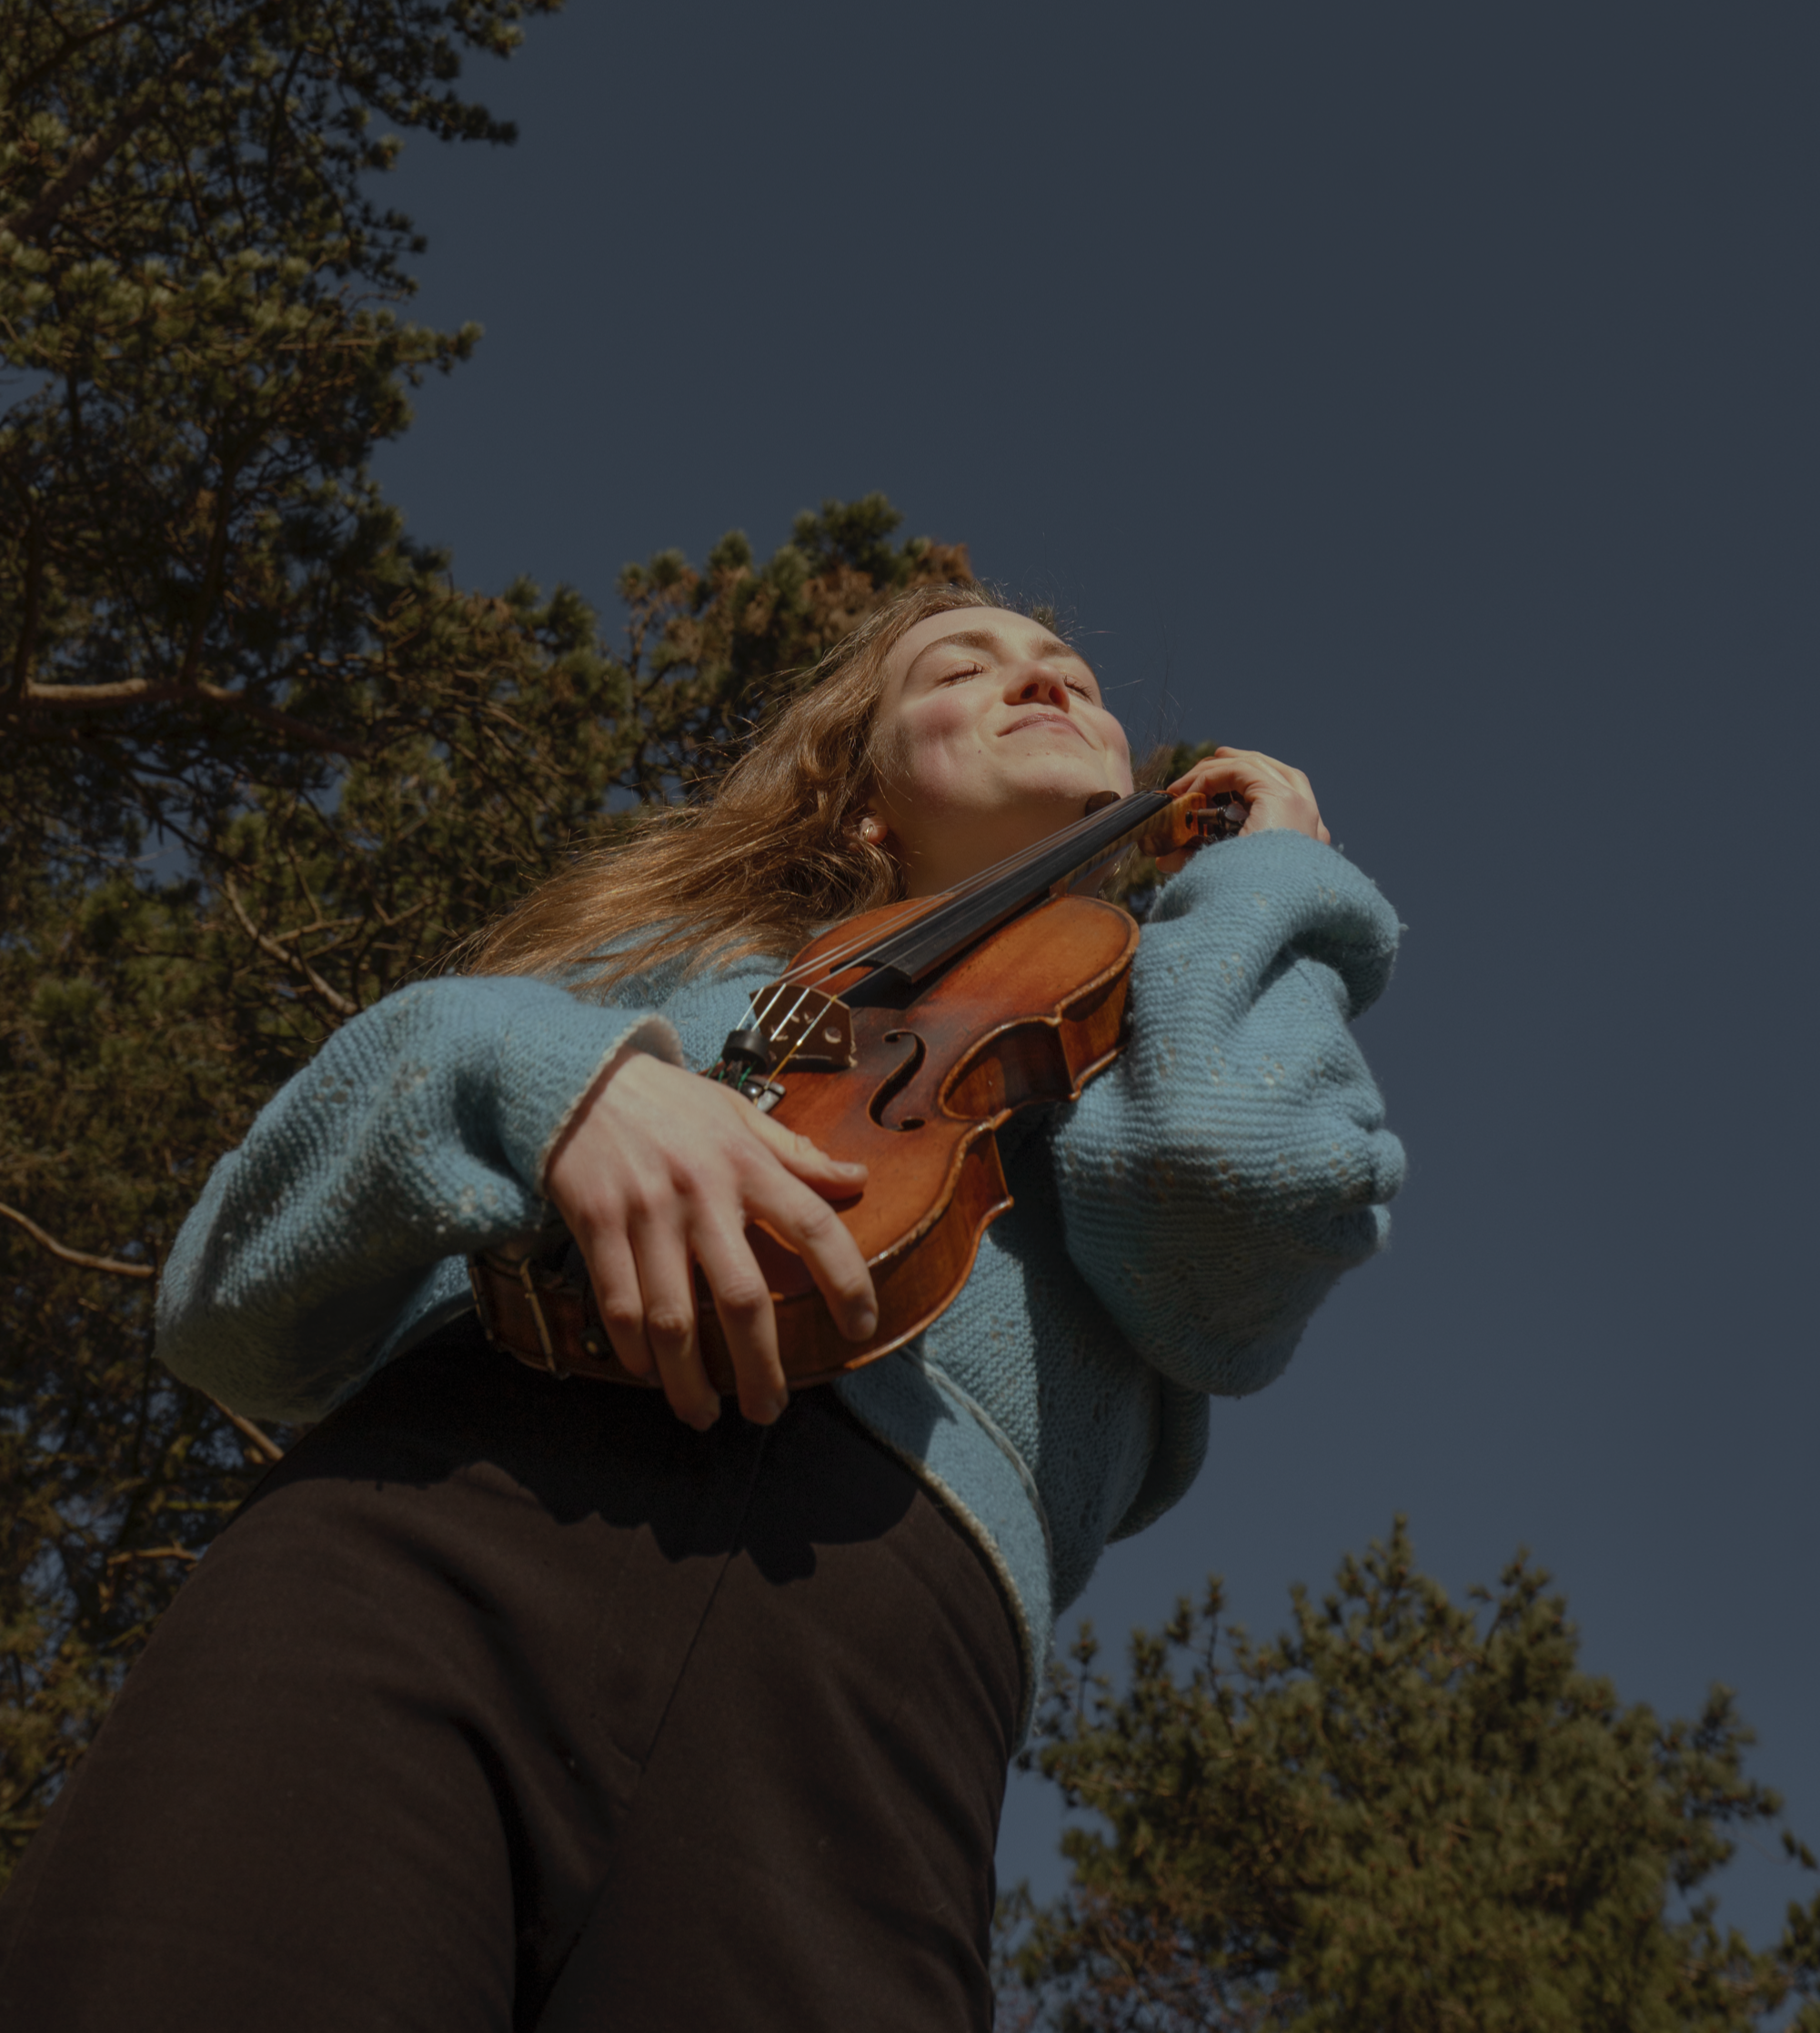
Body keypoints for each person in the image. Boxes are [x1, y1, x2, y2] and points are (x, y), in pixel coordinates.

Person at [0, 581, 1405, 2032]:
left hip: (855, 1683)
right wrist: (558, 1084)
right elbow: (221, 1303)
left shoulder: (1163, 1022)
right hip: (437, 1516)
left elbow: (1247, 1183)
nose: (1043, 680)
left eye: (1074, 674)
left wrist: (1267, 882)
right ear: (863, 799)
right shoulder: (658, 980)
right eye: (961, 668)